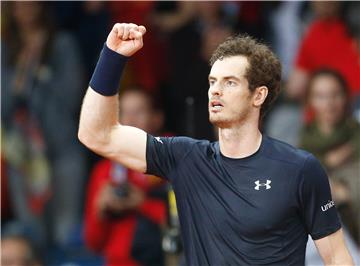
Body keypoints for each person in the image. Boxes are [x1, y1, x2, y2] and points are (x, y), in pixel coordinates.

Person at [78, 23, 354, 265]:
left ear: (258, 95)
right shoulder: (185, 158)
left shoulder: (299, 168)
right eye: (212, 81)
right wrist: (111, 57)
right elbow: (96, 134)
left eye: (230, 82)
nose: (216, 90)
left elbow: (336, 257)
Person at [84, 89, 167, 266]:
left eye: (139, 112)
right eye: (124, 112)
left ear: (157, 118)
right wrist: (100, 211)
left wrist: (142, 203)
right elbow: (92, 244)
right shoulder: (104, 170)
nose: (130, 119)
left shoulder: (173, 161)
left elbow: (188, 225)